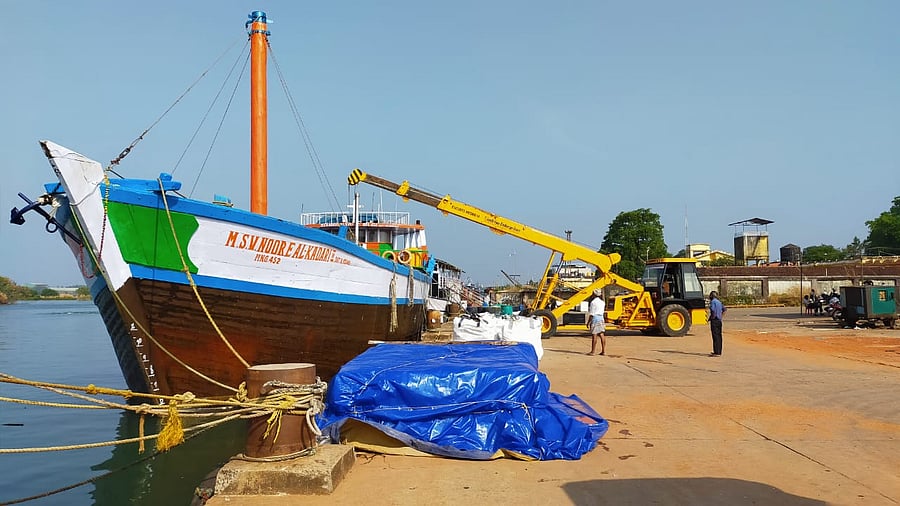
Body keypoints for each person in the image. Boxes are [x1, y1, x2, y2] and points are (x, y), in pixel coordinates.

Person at [587, 289, 606, 356]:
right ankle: (603, 351)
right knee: (601, 334)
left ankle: (593, 351)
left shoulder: (593, 302)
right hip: (601, 318)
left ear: (594, 294)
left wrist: (588, 322)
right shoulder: (602, 302)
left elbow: (591, 314)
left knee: (594, 335)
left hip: (595, 318)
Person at [708, 291, 726, 356]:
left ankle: (716, 352)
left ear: (712, 296)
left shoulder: (713, 302)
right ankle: (719, 351)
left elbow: (713, 310)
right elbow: (724, 309)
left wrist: (712, 317)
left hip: (715, 321)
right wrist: (721, 316)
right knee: (719, 336)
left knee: (715, 336)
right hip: (719, 321)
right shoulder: (719, 302)